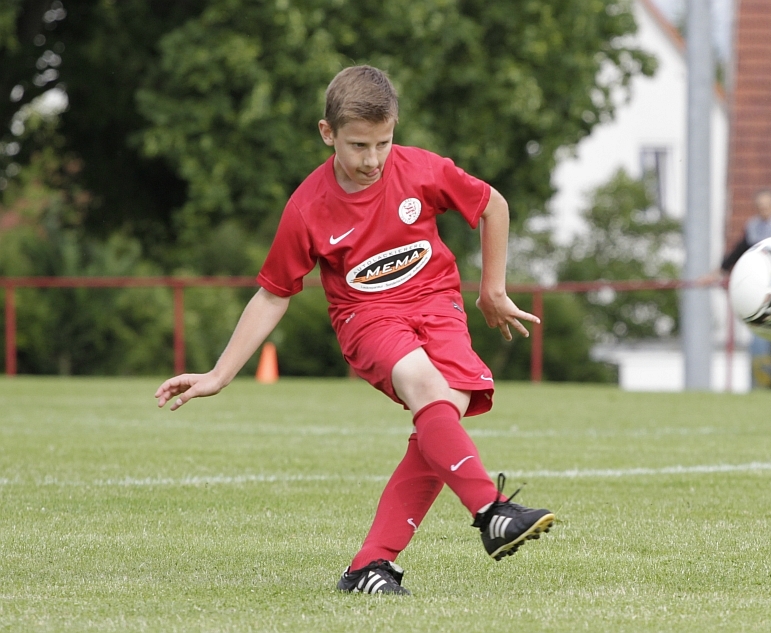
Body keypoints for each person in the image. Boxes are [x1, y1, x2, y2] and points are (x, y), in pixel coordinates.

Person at [154, 65, 554, 595]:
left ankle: (369, 566)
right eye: (358, 146)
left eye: (382, 143)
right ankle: (490, 511)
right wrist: (219, 374)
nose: (372, 160)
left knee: (441, 422)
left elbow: (492, 205)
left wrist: (492, 290)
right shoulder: (308, 207)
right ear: (328, 133)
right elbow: (273, 294)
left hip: (438, 306)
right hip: (366, 317)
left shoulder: (421, 168)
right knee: (427, 389)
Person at [706, 188, 771, 389]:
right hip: (763, 291)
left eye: (766, 206)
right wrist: (720, 270)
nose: (763, 210)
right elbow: (740, 249)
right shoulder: (754, 226)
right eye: (760, 207)